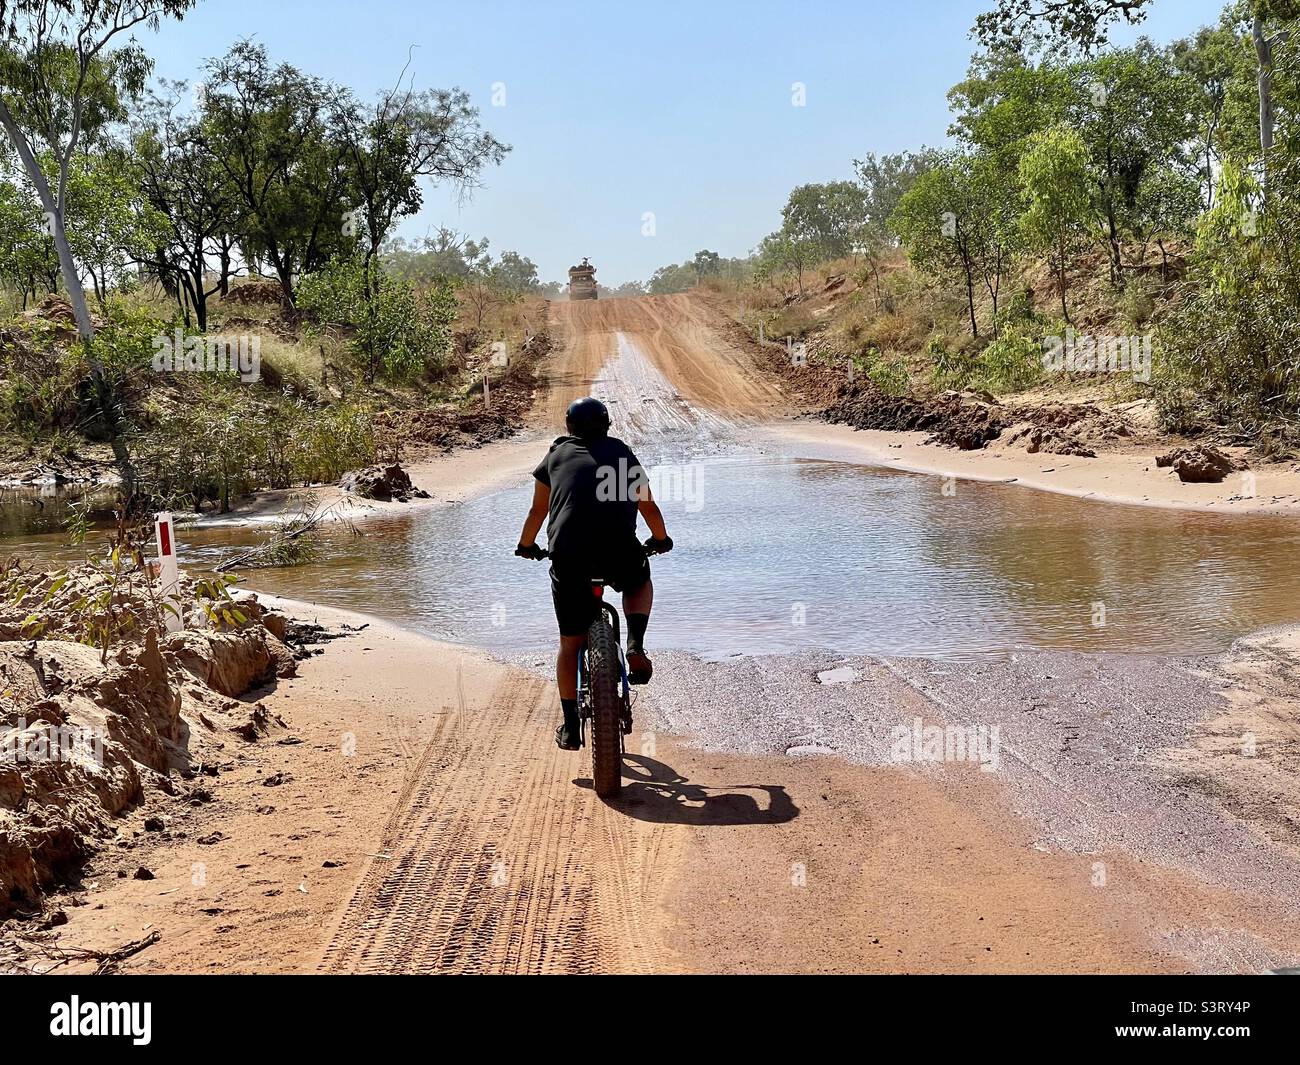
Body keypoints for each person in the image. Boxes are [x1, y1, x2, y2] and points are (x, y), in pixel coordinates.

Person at [515, 397, 673, 750]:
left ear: (569, 427)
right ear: (607, 425)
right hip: (619, 551)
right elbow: (646, 505)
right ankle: (634, 643)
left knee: (570, 643)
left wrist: (526, 546)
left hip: (570, 557)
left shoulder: (556, 455)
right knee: (638, 580)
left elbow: (538, 510)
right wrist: (661, 539)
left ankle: (571, 726)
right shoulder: (621, 454)